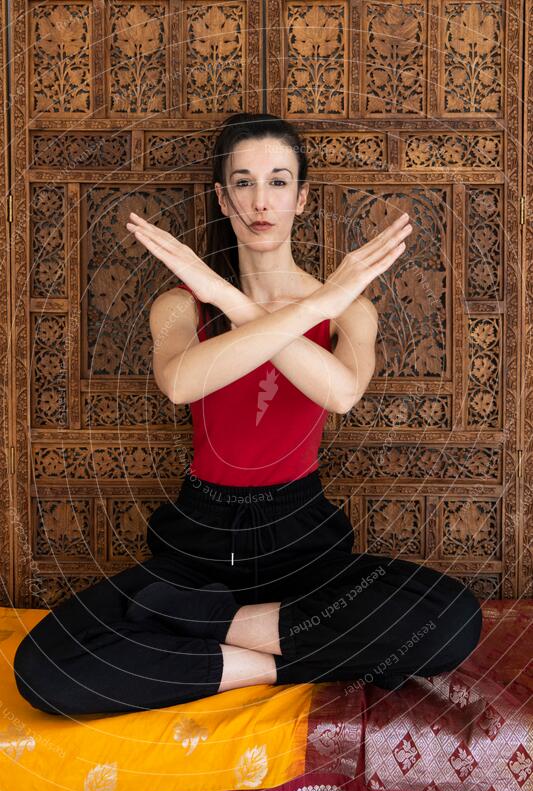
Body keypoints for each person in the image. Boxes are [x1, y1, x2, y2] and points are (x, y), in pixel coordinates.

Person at [13, 113, 482, 716]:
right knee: (45, 668)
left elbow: (339, 393)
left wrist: (248, 297)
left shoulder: (347, 312)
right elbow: (182, 383)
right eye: (243, 182)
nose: (261, 201)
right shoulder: (181, 304)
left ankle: (195, 630)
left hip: (304, 543)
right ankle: (258, 656)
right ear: (222, 196)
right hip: (196, 545)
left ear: (302, 197)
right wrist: (227, 297)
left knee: (452, 621)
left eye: (279, 182)